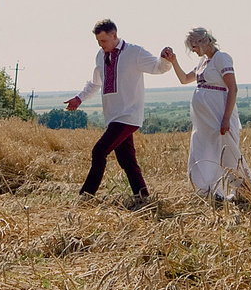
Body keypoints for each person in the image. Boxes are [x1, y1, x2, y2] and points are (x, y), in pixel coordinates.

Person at [64, 19, 172, 201]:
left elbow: (158, 67)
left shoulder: (134, 52)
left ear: (114, 35)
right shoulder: (100, 55)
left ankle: (86, 196)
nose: (101, 45)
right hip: (112, 116)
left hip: (129, 115)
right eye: (98, 41)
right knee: (127, 160)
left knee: (99, 151)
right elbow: (95, 84)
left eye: (104, 41)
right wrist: (79, 98)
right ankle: (142, 196)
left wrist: (165, 58)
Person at [164, 27, 251, 202]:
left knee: (227, 152)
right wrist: (174, 62)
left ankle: (246, 192)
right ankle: (210, 191)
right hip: (203, 123)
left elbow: (233, 88)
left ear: (203, 42)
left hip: (219, 116)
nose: (192, 50)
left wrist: (226, 118)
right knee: (204, 152)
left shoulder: (221, 58)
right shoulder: (203, 62)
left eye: (193, 45)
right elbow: (184, 79)